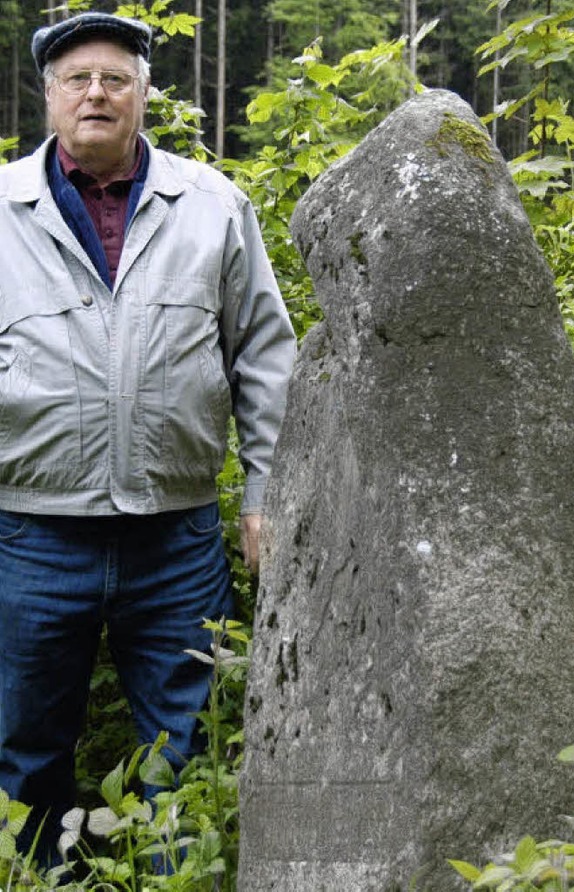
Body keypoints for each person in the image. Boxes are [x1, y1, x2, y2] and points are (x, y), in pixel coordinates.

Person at [0, 11, 296, 862]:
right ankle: (34, 882)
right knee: (25, 751)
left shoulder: (212, 206)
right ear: (49, 97)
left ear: (144, 95)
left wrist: (263, 498)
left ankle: (170, 880)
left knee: (184, 747)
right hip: (29, 534)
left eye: (116, 78)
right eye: (78, 80)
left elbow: (266, 360)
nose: (97, 93)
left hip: (178, 535)